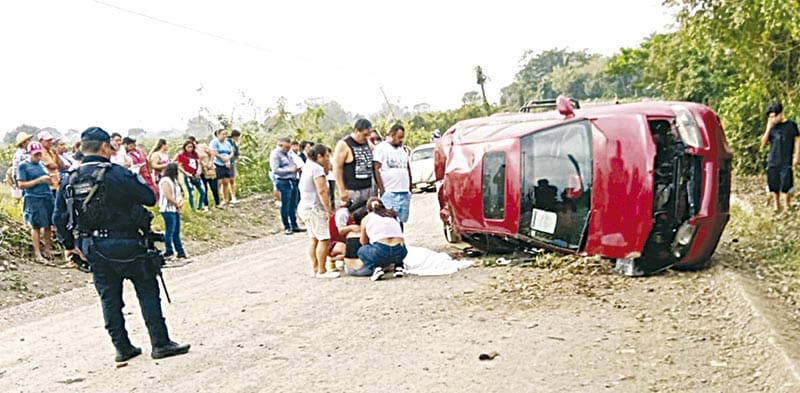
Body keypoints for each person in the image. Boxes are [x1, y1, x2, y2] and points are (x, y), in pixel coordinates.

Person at [53, 127, 190, 363]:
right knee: (147, 291)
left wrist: (69, 246)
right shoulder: (117, 173)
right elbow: (149, 198)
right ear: (105, 147)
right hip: (129, 244)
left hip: (93, 247)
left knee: (109, 298)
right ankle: (160, 343)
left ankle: (122, 347)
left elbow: (58, 218)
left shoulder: (69, 180)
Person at [297, 145, 339, 279]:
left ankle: (315, 268)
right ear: (319, 156)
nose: (328, 159)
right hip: (314, 208)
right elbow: (322, 191)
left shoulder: (308, 166)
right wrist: (328, 210)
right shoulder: (316, 169)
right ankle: (322, 270)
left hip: (305, 206)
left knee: (314, 238)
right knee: (324, 238)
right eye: (326, 156)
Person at [16, 141, 55, 263]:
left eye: (39, 154)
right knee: (36, 225)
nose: (38, 157)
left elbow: (48, 180)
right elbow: (21, 184)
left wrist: (49, 180)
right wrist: (39, 180)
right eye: (35, 155)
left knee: (48, 224)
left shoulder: (42, 165)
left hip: (47, 196)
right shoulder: (23, 166)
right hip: (33, 197)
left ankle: (47, 250)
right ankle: (37, 252)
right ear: (30, 153)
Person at [761, 102, 800, 212]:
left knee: (786, 183)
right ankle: (776, 206)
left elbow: (797, 140)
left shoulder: (791, 125)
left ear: (780, 114)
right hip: (773, 160)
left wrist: (796, 156)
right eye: (770, 117)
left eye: (774, 116)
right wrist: (768, 128)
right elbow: (763, 143)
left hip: (786, 159)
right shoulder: (772, 128)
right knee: (773, 183)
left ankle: (787, 206)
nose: (772, 119)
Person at [358, 197, 407, 281]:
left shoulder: (367, 219)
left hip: (381, 251)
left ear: (368, 210)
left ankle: (376, 268)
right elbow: (400, 234)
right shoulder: (392, 216)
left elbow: (363, 241)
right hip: (401, 251)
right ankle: (399, 266)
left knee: (362, 250)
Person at [373, 124, 412, 226]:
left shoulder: (402, 150)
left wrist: (410, 187)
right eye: (399, 137)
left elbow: (407, 168)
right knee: (390, 220)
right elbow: (376, 169)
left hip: (403, 191)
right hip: (390, 191)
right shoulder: (381, 148)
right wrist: (382, 190)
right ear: (392, 135)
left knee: (401, 221)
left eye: (402, 137)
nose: (401, 140)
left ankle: (400, 241)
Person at [333, 118, 375, 207]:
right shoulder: (344, 144)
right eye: (365, 135)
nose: (367, 138)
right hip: (352, 190)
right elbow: (337, 168)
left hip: (367, 188)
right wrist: (342, 190)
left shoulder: (367, 143)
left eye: (369, 135)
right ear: (356, 131)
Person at [270, 137, 303, 234]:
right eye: (286, 147)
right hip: (283, 181)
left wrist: (296, 168)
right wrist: (290, 170)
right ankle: (287, 226)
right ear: (280, 145)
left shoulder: (289, 154)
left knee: (293, 204)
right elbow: (275, 170)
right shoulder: (275, 154)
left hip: (292, 180)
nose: (288, 149)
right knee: (286, 205)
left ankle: (294, 225)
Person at [159, 163, 188, 261]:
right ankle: (169, 252)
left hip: (175, 208)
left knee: (176, 232)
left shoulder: (174, 181)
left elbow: (178, 194)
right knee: (170, 231)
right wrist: (176, 204)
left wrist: (179, 205)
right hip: (167, 209)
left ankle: (180, 252)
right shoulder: (165, 181)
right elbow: (168, 196)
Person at [175, 140, 207, 211]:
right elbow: (180, 166)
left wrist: (199, 170)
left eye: (191, 147)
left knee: (203, 191)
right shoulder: (181, 155)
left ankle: (199, 206)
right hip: (188, 176)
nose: (190, 148)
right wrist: (186, 173)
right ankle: (193, 208)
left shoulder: (195, 154)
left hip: (196, 175)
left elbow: (198, 163)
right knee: (191, 193)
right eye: (188, 147)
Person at [210, 129, 234, 206]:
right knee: (218, 183)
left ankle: (226, 199)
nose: (224, 136)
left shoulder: (227, 143)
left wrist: (228, 158)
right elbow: (214, 152)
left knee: (226, 182)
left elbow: (232, 152)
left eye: (225, 134)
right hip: (218, 163)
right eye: (223, 134)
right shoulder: (214, 142)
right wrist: (223, 159)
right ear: (218, 134)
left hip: (227, 163)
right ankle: (217, 200)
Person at [37, 131, 62, 196]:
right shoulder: (41, 152)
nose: (50, 142)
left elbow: (60, 165)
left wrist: (56, 153)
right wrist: (56, 164)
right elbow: (52, 166)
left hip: (55, 184)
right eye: (47, 141)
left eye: (50, 140)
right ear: (41, 141)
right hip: (48, 186)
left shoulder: (51, 152)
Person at [10, 131, 33, 200]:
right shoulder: (19, 155)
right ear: (23, 143)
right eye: (28, 140)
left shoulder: (30, 153)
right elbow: (15, 172)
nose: (30, 142)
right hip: (25, 183)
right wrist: (19, 184)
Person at [196, 142, 220, 208]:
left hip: (209, 169)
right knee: (204, 189)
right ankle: (205, 205)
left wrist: (210, 162)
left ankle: (217, 203)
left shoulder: (202, 146)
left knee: (214, 187)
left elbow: (212, 153)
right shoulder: (190, 152)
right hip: (200, 172)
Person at [227, 130, 241, 205]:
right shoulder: (227, 142)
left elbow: (237, 154)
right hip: (225, 162)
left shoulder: (234, 143)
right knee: (225, 181)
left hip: (232, 162)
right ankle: (225, 198)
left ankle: (233, 196)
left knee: (232, 180)